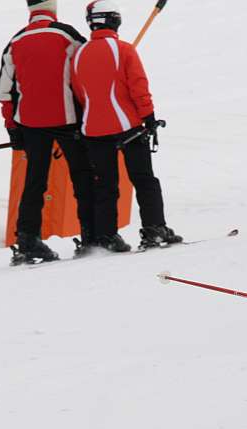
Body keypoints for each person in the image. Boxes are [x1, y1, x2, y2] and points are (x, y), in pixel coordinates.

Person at [70, 0, 182, 254]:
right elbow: (138, 87)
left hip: (93, 130)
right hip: (128, 127)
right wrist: (149, 117)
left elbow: (80, 93)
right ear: (114, 20)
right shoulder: (124, 50)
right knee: (144, 179)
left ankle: (107, 236)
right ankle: (154, 229)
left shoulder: (78, 55)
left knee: (105, 185)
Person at [0, 0, 95, 265]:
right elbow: (86, 71)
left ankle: (28, 240)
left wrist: (12, 127)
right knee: (82, 175)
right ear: (53, 8)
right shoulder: (67, 35)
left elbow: (5, 92)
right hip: (68, 119)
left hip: (30, 123)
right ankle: (91, 235)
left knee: (35, 181)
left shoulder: (15, 41)